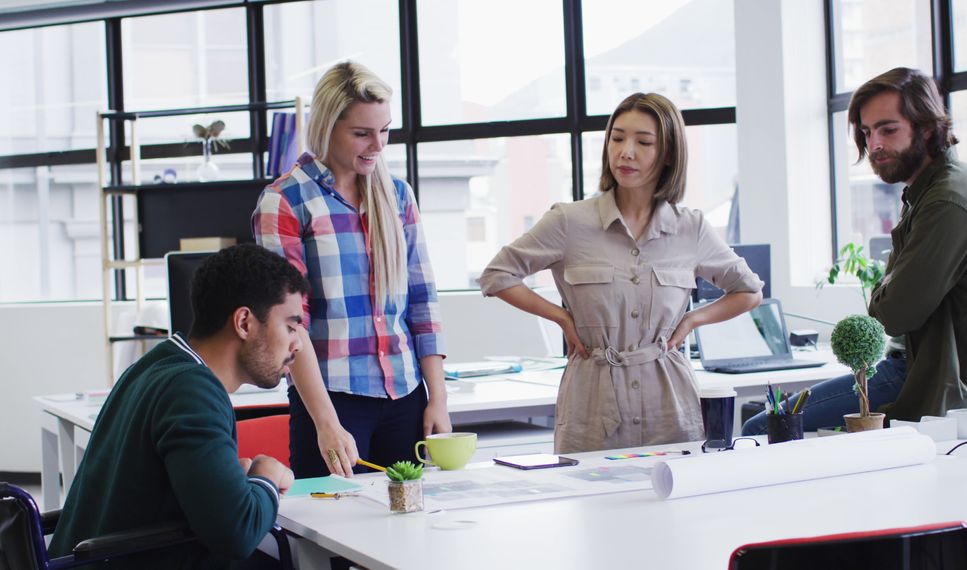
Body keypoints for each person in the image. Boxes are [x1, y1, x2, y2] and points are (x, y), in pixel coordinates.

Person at [479, 93, 763, 453]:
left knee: (675, 505)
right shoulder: (569, 222)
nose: (625, 151)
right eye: (617, 138)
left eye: (643, 142)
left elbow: (749, 291)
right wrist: (562, 318)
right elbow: (497, 275)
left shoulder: (690, 228)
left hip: (670, 406)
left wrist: (692, 320)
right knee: (594, 504)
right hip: (592, 407)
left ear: (669, 154)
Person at [742, 67, 967, 435]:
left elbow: (892, 315)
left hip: (934, 383)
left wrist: (886, 286)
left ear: (926, 127)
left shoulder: (948, 200)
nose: (874, 145)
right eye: (867, 132)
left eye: (888, 130)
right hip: (929, 372)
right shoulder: (930, 191)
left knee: (761, 429)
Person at [253, 61, 449, 479]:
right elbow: (290, 325)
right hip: (332, 400)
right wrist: (325, 423)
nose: (377, 145)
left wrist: (439, 400)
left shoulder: (397, 195)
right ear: (327, 127)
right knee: (333, 532)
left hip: (406, 396)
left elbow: (422, 302)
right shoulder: (286, 201)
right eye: (362, 134)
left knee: (408, 529)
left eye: (385, 131)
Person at [48, 244, 301, 568]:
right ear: (244, 323)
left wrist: (232, 484)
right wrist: (265, 478)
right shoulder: (193, 391)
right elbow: (237, 533)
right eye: (290, 327)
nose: (298, 344)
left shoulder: (159, 363)